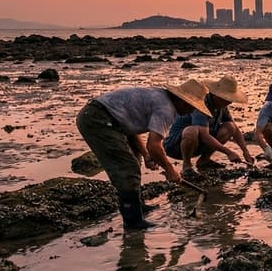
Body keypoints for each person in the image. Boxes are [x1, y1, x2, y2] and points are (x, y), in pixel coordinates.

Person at [76, 79, 209, 230]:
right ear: (184, 102)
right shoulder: (166, 108)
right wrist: (170, 170)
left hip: (104, 116)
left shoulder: (160, 97)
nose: (192, 112)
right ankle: (133, 222)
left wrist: (146, 155)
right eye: (192, 107)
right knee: (127, 168)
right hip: (97, 118)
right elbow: (154, 145)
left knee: (134, 159)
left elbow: (131, 128)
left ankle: (138, 206)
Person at [163, 75, 254, 174]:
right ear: (216, 95)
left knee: (230, 127)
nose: (229, 102)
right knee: (192, 131)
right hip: (176, 145)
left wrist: (245, 152)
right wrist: (228, 152)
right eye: (226, 99)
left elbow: (235, 129)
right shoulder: (201, 103)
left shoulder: (222, 106)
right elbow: (204, 135)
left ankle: (204, 160)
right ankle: (187, 165)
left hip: (199, 144)